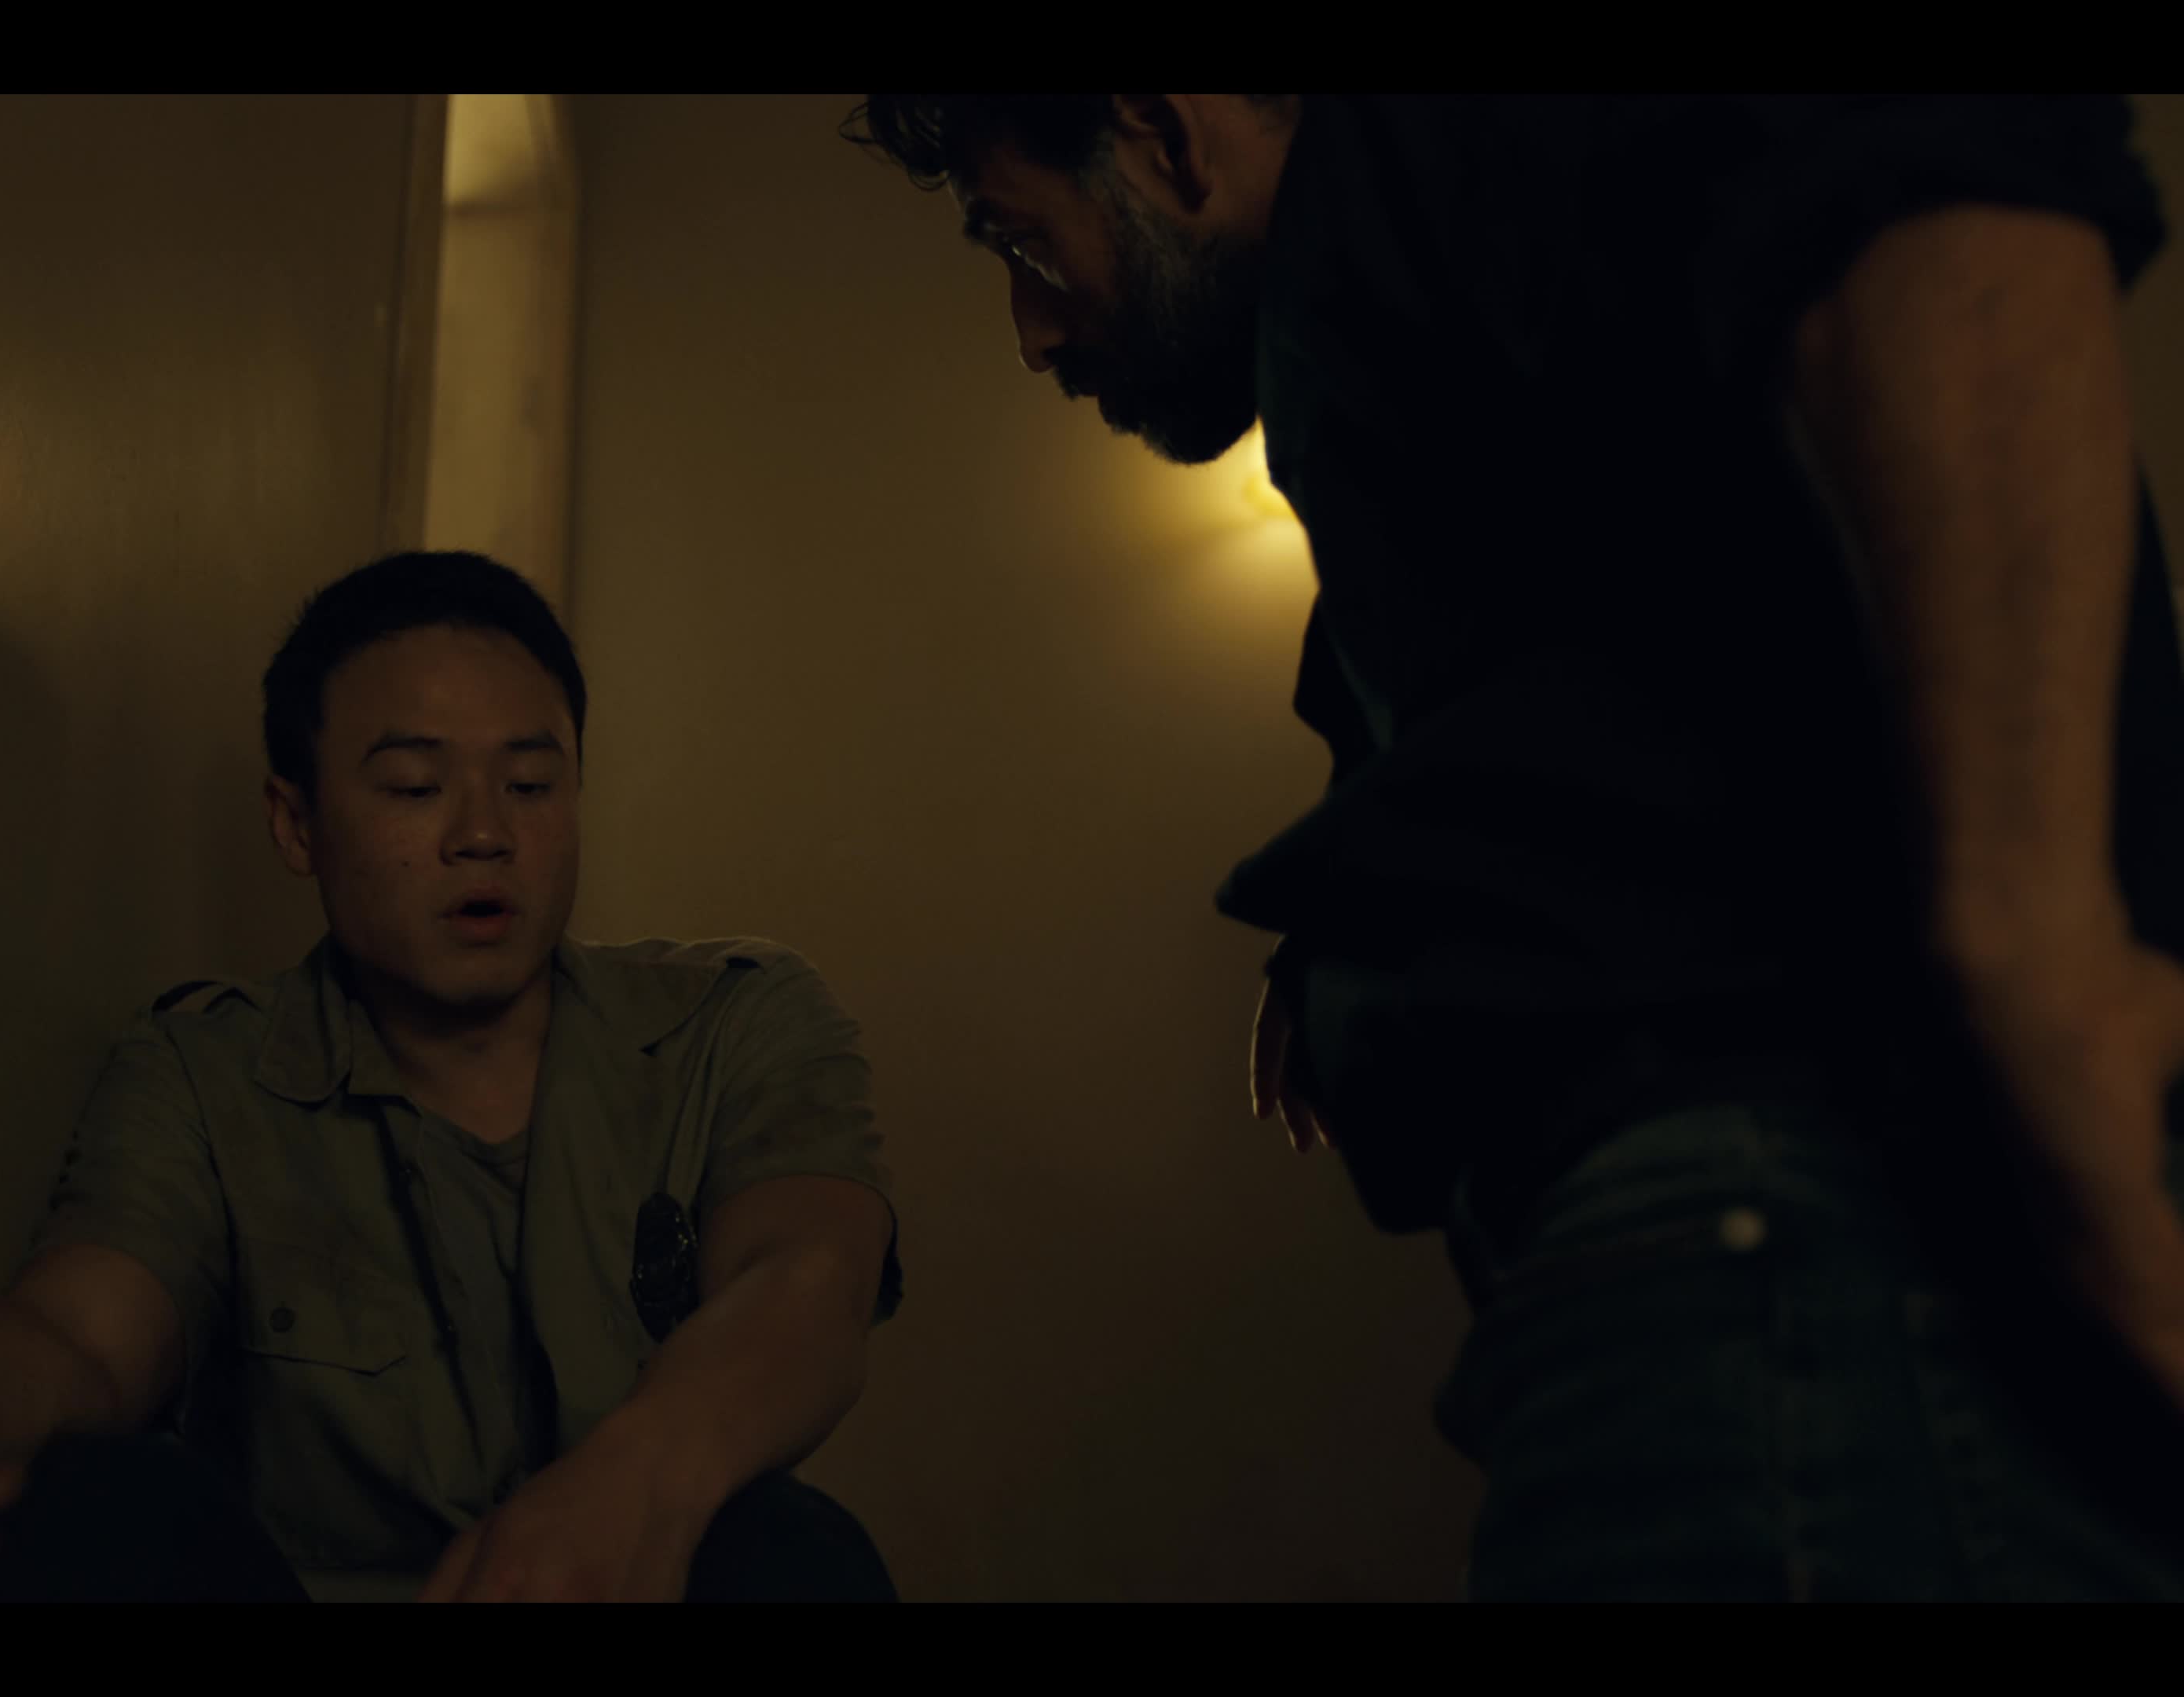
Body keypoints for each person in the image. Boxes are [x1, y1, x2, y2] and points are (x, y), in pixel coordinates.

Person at [848, 93, 2184, 1599]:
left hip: (1806, 1245)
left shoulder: (1447, 134)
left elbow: (1942, 207)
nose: (1032, 331)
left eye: (1025, 243)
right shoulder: (1412, 280)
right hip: (1748, 1268)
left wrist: (2037, 956)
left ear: (1164, 134)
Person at [0, 550, 903, 1602]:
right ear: (296, 824)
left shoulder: (733, 1019)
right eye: (413, 787)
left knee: (786, 1545)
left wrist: (635, 1479)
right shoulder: (204, 1074)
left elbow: (806, 1280)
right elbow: (84, 1339)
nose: (484, 834)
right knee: (103, 1497)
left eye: (531, 785)